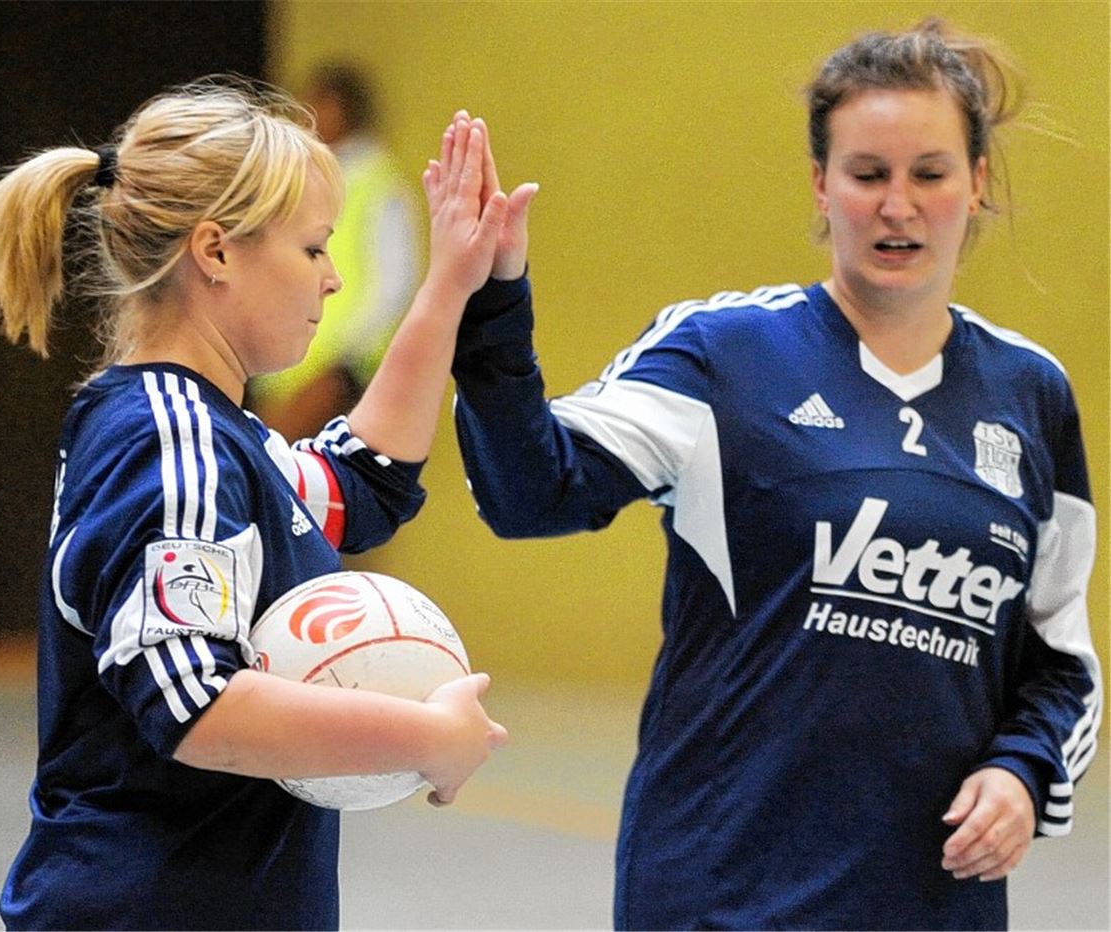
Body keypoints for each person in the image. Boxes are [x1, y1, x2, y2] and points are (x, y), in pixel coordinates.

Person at [448, 19, 1101, 931]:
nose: (897, 205)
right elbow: (531, 493)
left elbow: (1058, 662)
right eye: (868, 174)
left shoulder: (1032, 396)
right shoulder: (726, 356)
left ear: (977, 183)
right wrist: (491, 307)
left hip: (932, 905)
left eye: (930, 173)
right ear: (821, 186)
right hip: (722, 899)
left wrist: (1023, 772)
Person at [0, 77, 510, 931]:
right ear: (215, 252)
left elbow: (362, 480)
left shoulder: (223, 438)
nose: (334, 280)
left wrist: (448, 287)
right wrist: (422, 736)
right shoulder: (170, 438)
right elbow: (198, 706)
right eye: (314, 249)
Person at [246, 61, 420, 441]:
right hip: (286, 370)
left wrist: (345, 364)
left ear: (344, 109)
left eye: (318, 103)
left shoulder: (377, 183)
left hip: (336, 372)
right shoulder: (302, 180)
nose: (306, 115)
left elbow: (395, 285)